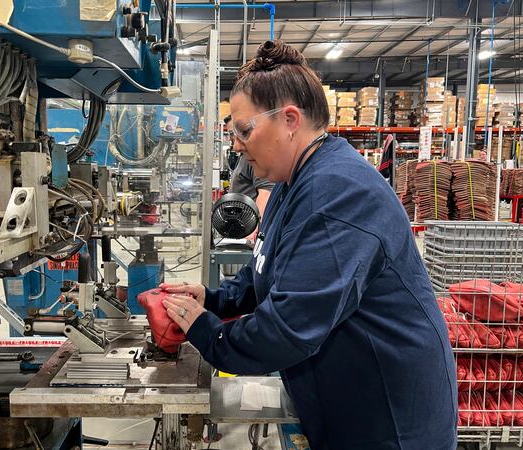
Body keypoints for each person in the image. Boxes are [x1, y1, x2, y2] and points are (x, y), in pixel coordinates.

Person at [160, 40, 457, 450]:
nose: (236, 145)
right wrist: (212, 300)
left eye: (244, 130)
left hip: (388, 422)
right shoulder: (292, 182)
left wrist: (207, 333)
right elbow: (264, 267)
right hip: (346, 402)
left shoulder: (337, 192)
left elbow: (287, 328)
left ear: (290, 120)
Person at [224, 114, 274, 217]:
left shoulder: (254, 157)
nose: (233, 138)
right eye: (231, 134)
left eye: (235, 132)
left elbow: (266, 195)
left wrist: (254, 230)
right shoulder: (244, 157)